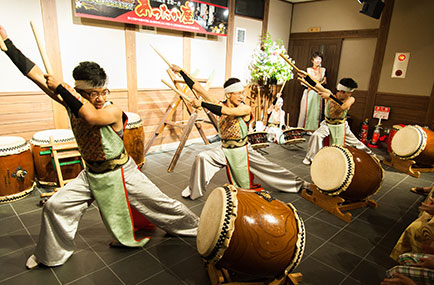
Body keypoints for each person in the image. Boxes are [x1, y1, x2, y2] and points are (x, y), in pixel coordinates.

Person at [0, 25, 199, 269]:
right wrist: (9, 46)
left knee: (160, 204)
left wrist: (62, 88)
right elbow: (38, 76)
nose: (100, 98)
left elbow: (91, 118)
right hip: (91, 175)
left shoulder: (111, 110)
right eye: (93, 94)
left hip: (121, 172)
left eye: (103, 91)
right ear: (81, 93)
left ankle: (198, 227)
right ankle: (50, 255)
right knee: (55, 206)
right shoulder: (73, 102)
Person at [169, 65, 309, 200]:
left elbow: (228, 112)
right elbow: (198, 88)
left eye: (243, 92)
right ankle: (194, 191)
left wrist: (203, 104)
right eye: (239, 93)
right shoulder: (218, 103)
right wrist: (181, 71)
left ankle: (299, 184)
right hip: (225, 150)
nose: (243, 96)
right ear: (229, 94)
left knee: (271, 169)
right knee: (202, 157)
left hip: (243, 150)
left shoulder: (245, 109)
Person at [301, 76, 374, 165]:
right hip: (327, 124)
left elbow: (343, 107)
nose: (341, 94)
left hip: (342, 126)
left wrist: (330, 97)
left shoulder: (350, 99)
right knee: (316, 135)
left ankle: (371, 155)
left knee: (356, 143)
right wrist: (306, 77)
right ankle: (311, 158)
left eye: (346, 92)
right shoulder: (329, 94)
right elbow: (318, 86)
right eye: (340, 91)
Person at [297, 52, 327, 132]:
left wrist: (322, 82)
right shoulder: (308, 70)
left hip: (318, 92)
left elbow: (324, 81)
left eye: (319, 59)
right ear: (312, 60)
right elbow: (303, 81)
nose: (318, 61)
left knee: (317, 111)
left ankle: (314, 129)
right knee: (307, 110)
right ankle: (304, 129)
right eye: (316, 59)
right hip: (309, 92)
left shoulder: (323, 70)